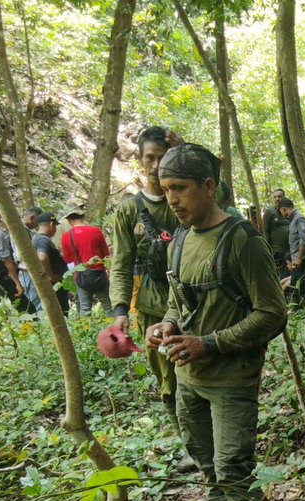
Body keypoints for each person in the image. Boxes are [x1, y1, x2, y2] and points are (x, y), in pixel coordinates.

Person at [144, 143, 290, 501]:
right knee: (209, 471)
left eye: (181, 189)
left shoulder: (242, 240)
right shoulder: (179, 241)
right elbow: (174, 303)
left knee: (234, 474)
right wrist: (163, 327)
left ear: (209, 186)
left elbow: (272, 313)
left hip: (230, 381)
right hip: (189, 381)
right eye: (166, 191)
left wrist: (209, 343)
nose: (173, 200)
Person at [109, 126, 186, 439]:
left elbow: (221, 196)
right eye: (150, 158)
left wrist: (186, 150)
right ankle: (187, 442)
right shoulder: (129, 210)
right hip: (153, 304)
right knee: (166, 375)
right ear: (139, 159)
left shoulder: (185, 196)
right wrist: (120, 309)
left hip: (194, 298)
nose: (156, 165)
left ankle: (206, 440)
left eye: (163, 157)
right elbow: (121, 262)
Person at [61, 205, 114, 317]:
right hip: (99, 274)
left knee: (85, 309)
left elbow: (68, 259)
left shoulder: (66, 236)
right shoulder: (96, 231)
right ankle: (115, 330)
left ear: (70, 221)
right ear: (83, 217)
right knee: (108, 306)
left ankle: (86, 332)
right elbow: (106, 254)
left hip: (81, 276)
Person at [23, 212, 70, 315]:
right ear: (51, 224)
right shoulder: (42, 240)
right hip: (55, 284)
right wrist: (50, 275)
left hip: (56, 283)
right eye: (55, 226)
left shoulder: (38, 238)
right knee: (61, 311)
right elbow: (42, 258)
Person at [279, 197, 305, 306]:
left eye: (281, 211)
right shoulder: (293, 220)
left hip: (303, 259)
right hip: (298, 259)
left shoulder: (299, 219)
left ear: (284, 209)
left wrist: (299, 258)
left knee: (301, 285)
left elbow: (304, 239)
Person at [262, 187, 292, 279]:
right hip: (277, 251)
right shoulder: (269, 212)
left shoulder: (289, 211)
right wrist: (269, 251)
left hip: (290, 250)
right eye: (275, 197)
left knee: (291, 277)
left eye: (279, 196)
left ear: (284, 197)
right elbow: (266, 232)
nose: (277, 199)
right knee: (281, 276)